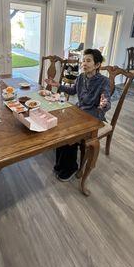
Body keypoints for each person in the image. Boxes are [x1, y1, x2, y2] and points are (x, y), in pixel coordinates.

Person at [45, 49, 111, 181]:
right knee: (62, 127)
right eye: (83, 61)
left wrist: (104, 103)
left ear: (97, 65)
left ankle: (71, 167)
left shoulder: (103, 81)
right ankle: (61, 164)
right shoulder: (81, 77)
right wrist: (58, 85)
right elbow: (73, 90)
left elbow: (106, 101)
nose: (84, 64)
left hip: (93, 116)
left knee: (71, 134)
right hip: (79, 111)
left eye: (88, 61)